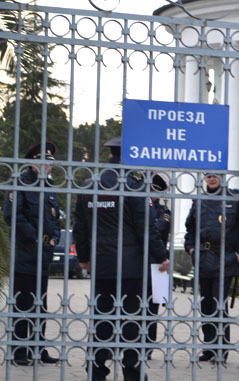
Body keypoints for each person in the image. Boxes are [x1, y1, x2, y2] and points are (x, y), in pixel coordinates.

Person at [73, 137, 169, 381]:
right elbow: (147, 228)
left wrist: (84, 258)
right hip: (132, 269)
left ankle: (96, 371)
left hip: (102, 266)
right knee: (132, 322)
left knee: (101, 320)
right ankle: (132, 373)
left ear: (109, 155)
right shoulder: (134, 187)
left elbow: (80, 228)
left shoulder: (89, 186)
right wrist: (161, 257)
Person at [3, 141, 61, 366]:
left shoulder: (49, 188)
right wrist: (34, 238)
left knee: (40, 304)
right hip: (26, 252)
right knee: (22, 304)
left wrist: (54, 237)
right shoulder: (20, 183)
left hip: (44, 253)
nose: (48, 166)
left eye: (50, 163)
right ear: (33, 161)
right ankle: (19, 352)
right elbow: (13, 216)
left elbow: (56, 219)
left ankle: (38, 348)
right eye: (43, 161)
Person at [184, 173, 239, 362]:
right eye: (208, 176)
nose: (212, 179)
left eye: (216, 175)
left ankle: (222, 347)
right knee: (206, 305)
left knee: (219, 304)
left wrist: (238, 253)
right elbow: (190, 229)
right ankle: (209, 346)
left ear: (223, 176)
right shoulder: (199, 199)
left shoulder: (235, 199)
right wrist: (191, 249)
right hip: (203, 257)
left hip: (225, 258)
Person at [147, 172, 171, 356]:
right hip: (139, 261)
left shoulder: (164, 213)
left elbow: (155, 228)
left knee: (153, 306)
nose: (151, 192)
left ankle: (149, 343)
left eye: (154, 190)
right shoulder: (138, 207)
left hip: (158, 264)